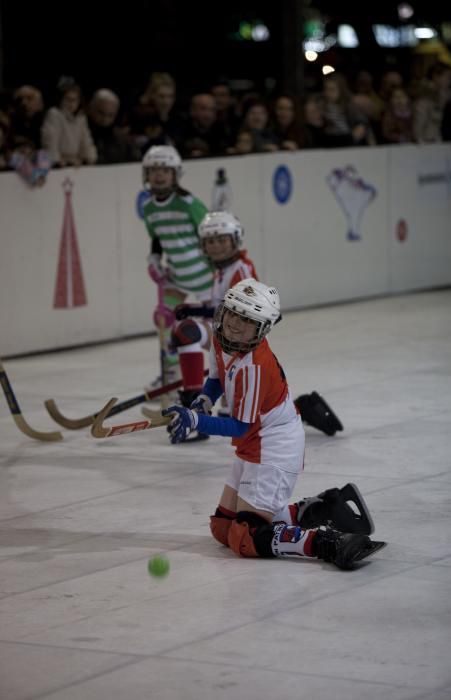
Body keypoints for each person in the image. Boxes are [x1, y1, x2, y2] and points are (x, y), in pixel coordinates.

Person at [162, 279, 385, 569]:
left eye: (248, 321)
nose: (236, 325)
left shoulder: (254, 365)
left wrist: (195, 420)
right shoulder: (220, 339)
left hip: (274, 446)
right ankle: (321, 509)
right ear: (224, 311)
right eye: (233, 313)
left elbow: (240, 426)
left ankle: (327, 543)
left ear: (262, 329)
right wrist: (204, 400)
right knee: (222, 527)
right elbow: (216, 379)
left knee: (246, 537)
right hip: (255, 442)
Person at [172, 211, 343, 436]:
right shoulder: (221, 272)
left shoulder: (240, 269)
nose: (216, 246)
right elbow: (224, 308)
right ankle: (197, 402)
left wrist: (197, 311)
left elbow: (242, 312)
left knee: (244, 411)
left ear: (236, 239)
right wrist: (197, 309)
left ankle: (299, 409)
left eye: (222, 240)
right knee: (239, 406)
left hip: (239, 339)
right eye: (210, 241)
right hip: (224, 334)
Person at [141, 144, 213, 390]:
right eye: (154, 170)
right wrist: (154, 258)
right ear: (146, 174)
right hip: (177, 276)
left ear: (175, 174)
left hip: (206, 276)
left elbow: (209, 231)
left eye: (165, 170)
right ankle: (172, 372)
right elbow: (158, 237)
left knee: (216, 328)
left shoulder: (188, 203)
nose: (159, 175)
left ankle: (220, 367)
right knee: (164, 320)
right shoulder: (149, 208)